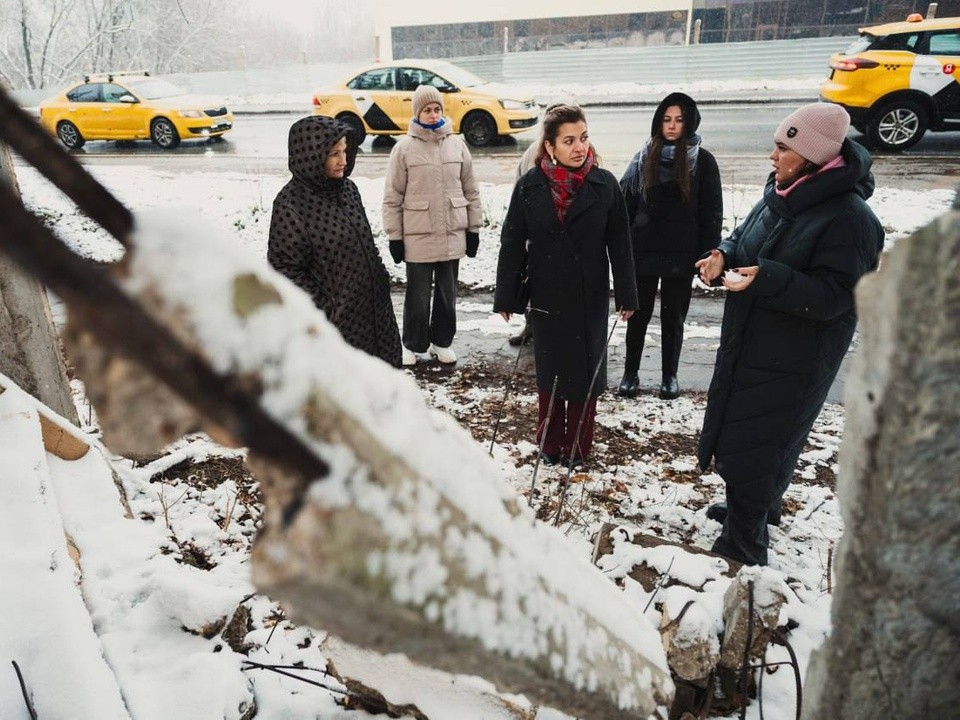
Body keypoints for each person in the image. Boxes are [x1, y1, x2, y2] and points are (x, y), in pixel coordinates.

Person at [695, 103, 884, 566]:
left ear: (814, 157)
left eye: (784, 147)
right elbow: (745, 238)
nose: (773, 156)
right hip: (753, 342)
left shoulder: (851, 219)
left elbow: (840, 296)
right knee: (749, 437)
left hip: (796, 358)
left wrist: (767, 279)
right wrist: (722, 254)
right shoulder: (782, 193)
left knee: (760, 444)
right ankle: (757, 512)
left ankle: (743, 547)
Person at [494, 104, 637, 466]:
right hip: (545, 295)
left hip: (588, 296)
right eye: (569, 140)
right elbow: (512, 242)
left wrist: (627, 294)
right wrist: (506, 294)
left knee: (584, 373)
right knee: (551, 371)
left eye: (584, 138)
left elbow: (620, 244)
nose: (579, 147)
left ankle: (578, 446)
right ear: (550, 147)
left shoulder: (604, 186)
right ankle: (549, 442)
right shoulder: (529, 187)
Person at [268, 115, 401, 367]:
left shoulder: (348, 190)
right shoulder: (290, 205)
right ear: (311, 156)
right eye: (334, 154)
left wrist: (380, 278)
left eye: (345, 151)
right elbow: (285, 271)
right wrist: (328, 309)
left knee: (383, 388)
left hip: (376, 315)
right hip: (337, 328)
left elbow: (366, 243)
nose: (344, 161)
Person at [617, 92, 723, 400]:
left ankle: (669, 375)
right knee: (637, 315)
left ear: (689, 123)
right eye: (666, 120)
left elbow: (711, 213)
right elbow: (627, 204)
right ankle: (630, 373)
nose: (672, 126)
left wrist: (708, 254)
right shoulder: (644, 157)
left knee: (673, 318)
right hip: (645, 250)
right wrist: (625, 249)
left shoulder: (703, 161)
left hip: (682, 254)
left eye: (679, 120)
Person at [382, 84, 482, 366]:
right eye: (427, 109)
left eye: (437, 108)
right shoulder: (403, 149)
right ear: (417, 112)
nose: (432, 113)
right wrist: (395, 237)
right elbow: (393, 196)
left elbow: (471, 190)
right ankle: (413, 345)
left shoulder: (457, 145)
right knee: (418, 295)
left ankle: (442, 342)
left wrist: (473, 230)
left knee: (447, 295)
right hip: (418, 235)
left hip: (452, 232)